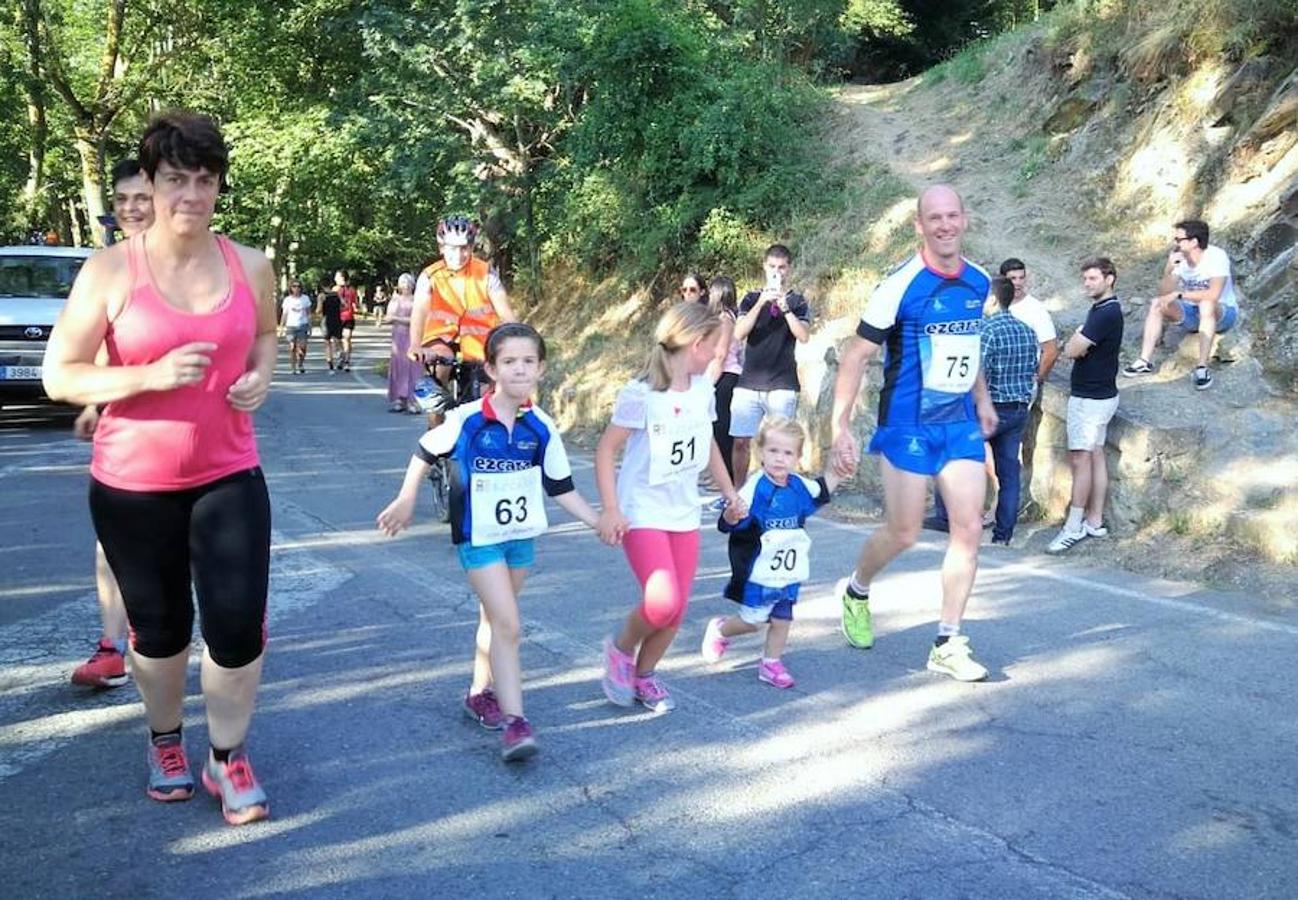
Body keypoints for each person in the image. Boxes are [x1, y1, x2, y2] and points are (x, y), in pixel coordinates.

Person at [42, 111, 278, 825]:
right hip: (133, 486)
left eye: (205, 181)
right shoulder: (111, 270)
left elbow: (263, 336)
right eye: (175, 180)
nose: (191, 196)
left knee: (237, 629)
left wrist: (262, 376)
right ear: (149, 182)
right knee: (162, 630)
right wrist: (149, 377)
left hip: (230, 474)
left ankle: (226, 757)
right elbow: (61, 376)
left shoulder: (253, 265)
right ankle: (166, 739)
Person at [377, 323, 603, 761]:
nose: (520, 370)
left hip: (519, 539)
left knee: (494, 620)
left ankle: (479, 693)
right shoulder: (467, 421)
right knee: (509, 624)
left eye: (529, 362)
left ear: (542, 368)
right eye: (510, 362)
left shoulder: (541, 427)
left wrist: (598, 520)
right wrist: (406, 498)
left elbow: (561, 487)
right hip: (477, 539)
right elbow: (425, 451)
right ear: (492, 369)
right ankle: (516, 724)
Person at [830, 184, 998, 682]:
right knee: (904, 532)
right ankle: (857, 589)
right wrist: (839, 425)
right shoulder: (899, 285)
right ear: (919, 226)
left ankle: (948, 640)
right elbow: (856, 356)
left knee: (968, 527)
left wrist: (983, 400)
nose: (944, 225)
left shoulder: (980, 281)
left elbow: (969, 345)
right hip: (906, 424)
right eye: (934, 218)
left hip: (959, 423)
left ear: (964, 220)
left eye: (952, 216)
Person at [596, 302, 746, 713]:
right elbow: (607, 450)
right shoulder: (641, 394)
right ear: (696, 344)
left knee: (676, 611)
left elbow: (709, 443)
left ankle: (644, 676)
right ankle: (620, 649)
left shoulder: (702, 389)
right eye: (715, 346)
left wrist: (731, 494)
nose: (719, 354)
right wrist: (610, 509)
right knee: (661, 601)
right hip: (642, 510)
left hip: (683, 511)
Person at [69, 157, 154, 690]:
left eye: (141, 197)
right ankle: (113, 646)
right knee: (111, 545)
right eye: (121, 200)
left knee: (188, 551)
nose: (130, 208)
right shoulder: (104, 267)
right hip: (123, 432)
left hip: (186, 438)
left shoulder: (199, 266)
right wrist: (91, 404)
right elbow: (97, 346)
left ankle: (214, 632)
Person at [700, 417, 847, 689]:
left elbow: (822, 490)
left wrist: (840, 470)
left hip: (789, 570)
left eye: (788, 453)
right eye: (773, 451)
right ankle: (720, 629)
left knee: (782, 618)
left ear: (798, 457)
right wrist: (732, 515)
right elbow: (728, 521)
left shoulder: (798, 485)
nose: (780, 459)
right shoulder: (755, 488)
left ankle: (771, 663)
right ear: (761, 452)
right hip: (760, 570)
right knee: (753, 621)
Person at [926, 277, 1039, 545]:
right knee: (1008, 472)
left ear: (991, 299)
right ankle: (1003, 535)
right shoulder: (1027, 330)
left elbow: (977, 372)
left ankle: (949, 518)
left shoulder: (986, 331)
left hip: (989, 410)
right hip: (1019, 409)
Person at [408, 216, 516, 424]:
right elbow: (419, 312)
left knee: (489, 389)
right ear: (441, 248)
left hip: (480, 341)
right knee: (441, 367)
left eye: (464, 248)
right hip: (440, 338)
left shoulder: (485, 272)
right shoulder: (430, 276)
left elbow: (505, 312)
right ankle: (436, 432)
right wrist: (415, 345)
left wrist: (519, 338)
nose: (458, 255)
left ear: (472, 247)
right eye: (451, 248)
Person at [1049, 258, 1124, 553]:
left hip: (1090, 400)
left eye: (1093, 278)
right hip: (1099, 395)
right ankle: (1093, 520)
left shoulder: (1105, 313)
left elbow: (1071, 350)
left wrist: (1077, 340)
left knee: (1080, 460)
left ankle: (1073, 526)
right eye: (1085, 279)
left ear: (1110, 279)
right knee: (1094, 457)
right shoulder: (1103, 310)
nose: (1087, 284)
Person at [1122, 219, 1239, 391]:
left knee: (1206, 304)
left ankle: (1202, 368)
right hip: (1192, 312)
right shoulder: (1180, 259)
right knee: (1156, 304)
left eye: (1179, 240)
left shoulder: (1216, 256)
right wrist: (1168, 269)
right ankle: (1144, 361)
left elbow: (1214, 294)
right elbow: (1164, 294)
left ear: (1194, 242)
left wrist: (1180, 294)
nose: (1175, 244)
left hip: (1221, 312)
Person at [730, 245, 811, 481]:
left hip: (782, 384)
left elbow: (804, 335)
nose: (778, 272)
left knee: (781, 444)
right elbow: (738, 333)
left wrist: (785, 308)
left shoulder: (797, 301)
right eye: (773, 267)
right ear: (765, 267)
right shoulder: (751, 298)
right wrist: (761, 302)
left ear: (789, 269)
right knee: (740, 441)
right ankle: (738, 492)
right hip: (748, 383)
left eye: (782, 267)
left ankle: (778, 491)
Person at [1000, 258, 1059, 500]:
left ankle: (1007, 504)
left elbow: (1051, 349)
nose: (1017, 283)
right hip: (994, 385)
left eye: (1021, 278)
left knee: (1009, 448)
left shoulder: (1035, 310)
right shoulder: (995, 305)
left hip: (1018, 388)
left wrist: (1037, 378)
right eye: (1012, 279)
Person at [706, 276, 743, 485]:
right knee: (716, 427)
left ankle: (725, 477)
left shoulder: (725, 319)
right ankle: (716, 475)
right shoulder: (725, 317)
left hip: (726, 375)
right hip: (723, 374)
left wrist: (710, 382)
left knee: (721, 428)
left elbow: (721, 354)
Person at [383, 274, 421, 412]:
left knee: (412, 367)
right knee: (399, 366)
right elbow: (388, 318)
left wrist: (397, 318)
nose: (405, 285)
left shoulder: (417, 300)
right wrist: (397, 318)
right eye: (402, 283)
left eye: (408, 282)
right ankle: (399, 399)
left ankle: (413, 400)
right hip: (398, 337)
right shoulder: (395, 299)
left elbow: (418, 319)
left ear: (412, 285)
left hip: (413, 335)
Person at [278, 281, 312, 375]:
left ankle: (300, 363)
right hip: (291, 326)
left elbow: (308, 313)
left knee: (302, 347)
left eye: (298, 286)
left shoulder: (305, 299)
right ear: (291, 288)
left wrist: (310, 326)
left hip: (303, 325)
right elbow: (284, 314)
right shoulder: (287, 300)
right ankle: (293, 367)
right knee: (292, 347)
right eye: (294, 286)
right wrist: (281, 327)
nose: (296, 288)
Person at [334, 270, 359, 372]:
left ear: (343, 278)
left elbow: (354, 303)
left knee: (347, 338)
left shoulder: (351, 290)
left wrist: (355, 307)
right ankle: (341, 356)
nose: (335, 279)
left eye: (337, 276)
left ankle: (347, 361)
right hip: (336, 317)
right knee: (337, 339)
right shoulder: (334, 290)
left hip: (348, 317)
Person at [319, 283, 343, 372]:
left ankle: (330, 362)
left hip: (326, 321)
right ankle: (341, 356)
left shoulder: (322, 296)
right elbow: (344, 305)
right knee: (337, 341)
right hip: (337, 319)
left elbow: (319, 309)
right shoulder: (337, 295)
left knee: (327, 343)